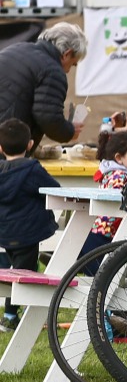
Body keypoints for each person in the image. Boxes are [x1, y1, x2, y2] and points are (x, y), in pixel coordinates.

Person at [0, 118, 59, 330]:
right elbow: (55, 189)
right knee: (24, 274)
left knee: (15, 269)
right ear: (30, 145)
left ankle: (17, 311)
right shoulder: (32, 170)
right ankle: (11, 315)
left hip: (5, 232)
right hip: (28, 233)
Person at [0, 22, 87, 148]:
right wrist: (70, 131)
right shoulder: (52, 70)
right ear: (67, 54)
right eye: (72, 64)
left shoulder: (15, 49)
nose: (68, 71)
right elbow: (48, 118)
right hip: (7, 144)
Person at [79, 128, 127, 266]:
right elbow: (121, 205)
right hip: (105, 239)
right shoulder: (120, 177)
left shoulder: (110, 173)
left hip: (96, 235)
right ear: (119, 158)